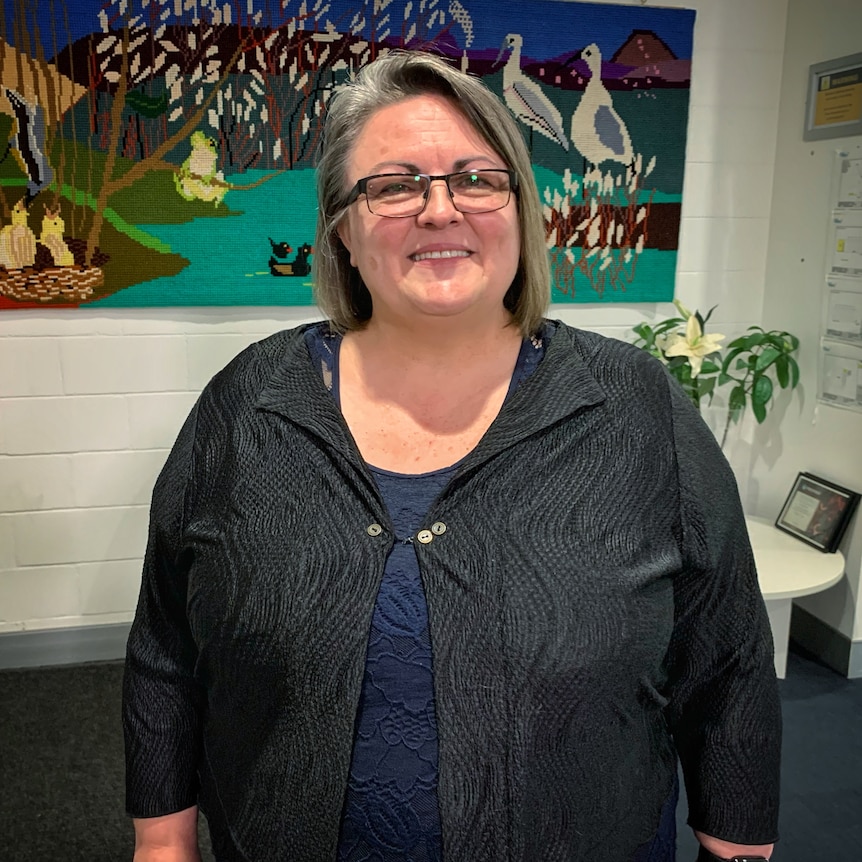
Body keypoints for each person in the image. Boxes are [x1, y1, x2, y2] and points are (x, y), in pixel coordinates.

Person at [123, 50, 781, 862]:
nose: (441, 210)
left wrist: (740, 848)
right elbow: (165, 648)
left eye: (477, 178)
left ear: (519, 208)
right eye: (395, 185)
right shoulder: (248, 403)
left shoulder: (635, 406)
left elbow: (729, 660)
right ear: (342, 228)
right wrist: (161, 840)